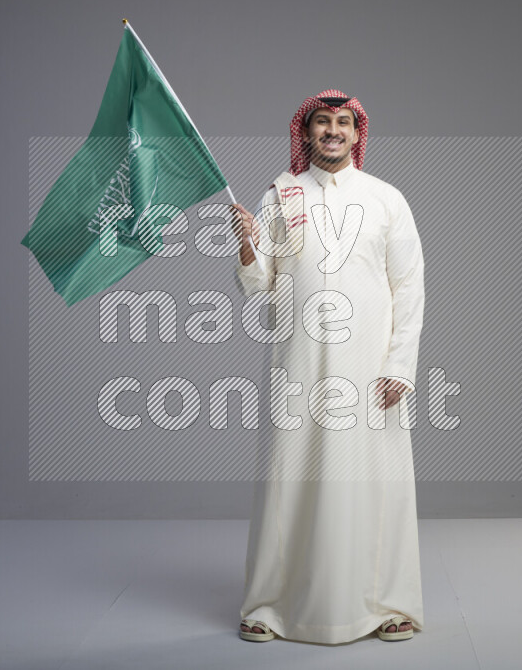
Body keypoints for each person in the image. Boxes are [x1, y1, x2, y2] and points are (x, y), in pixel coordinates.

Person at [229, 89, 425, 644]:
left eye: (343, 122)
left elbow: (409, 287)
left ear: (358, 134)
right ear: (306, 133)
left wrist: (400, 365)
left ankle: (387, 603)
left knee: (375, 483)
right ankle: (269, 606)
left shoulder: (387, 199)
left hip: (371, 372)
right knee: (290, 480)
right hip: (299, 366)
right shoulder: (279, 195)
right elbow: (258, 285)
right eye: (322, 122)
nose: (333, 131)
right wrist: (246, 246)